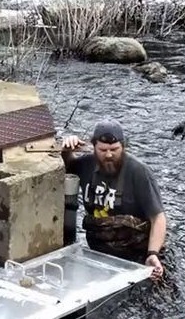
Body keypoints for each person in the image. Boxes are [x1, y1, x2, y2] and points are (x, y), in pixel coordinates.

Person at [60, 119, 167, 281]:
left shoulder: (139, 172)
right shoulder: (85, 165)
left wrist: (153, 254)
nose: (109, 155)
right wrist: (66, 150)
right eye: (103, 150)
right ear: (93, 147)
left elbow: (158, 217)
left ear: (123, 147)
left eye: (114, 149)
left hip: (135, 254)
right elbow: (65, 169)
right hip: (98, 251)